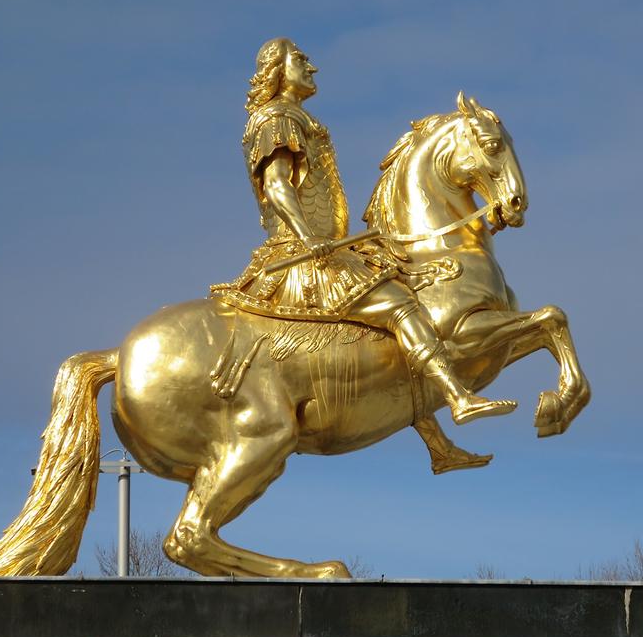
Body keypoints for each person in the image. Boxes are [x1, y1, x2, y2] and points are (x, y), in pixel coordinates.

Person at [212, 37, 515, 430]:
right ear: (277, 71)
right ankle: (458, 399)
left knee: (398, 322)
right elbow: (277, 185)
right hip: (304, 256)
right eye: (301, 59)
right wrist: (307, 237)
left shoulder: (294, 118)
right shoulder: (276, 120)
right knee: (401, 308)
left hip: (326, 248)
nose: (311, 67)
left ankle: (439, 446)